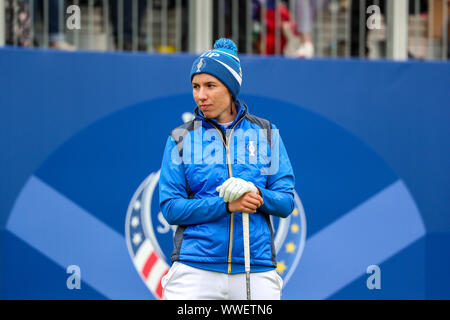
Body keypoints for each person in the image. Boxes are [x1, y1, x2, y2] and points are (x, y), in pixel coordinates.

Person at [158, 38, 296, 300]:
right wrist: (226, 205)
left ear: (231, 89)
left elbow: (285, 202)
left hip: (256, 269)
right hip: (194, 270)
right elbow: (171, 208)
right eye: (196, 86)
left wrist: (256, 194)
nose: (201, 95)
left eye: (211, 85)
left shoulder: (266, 133)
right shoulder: (180, 138)